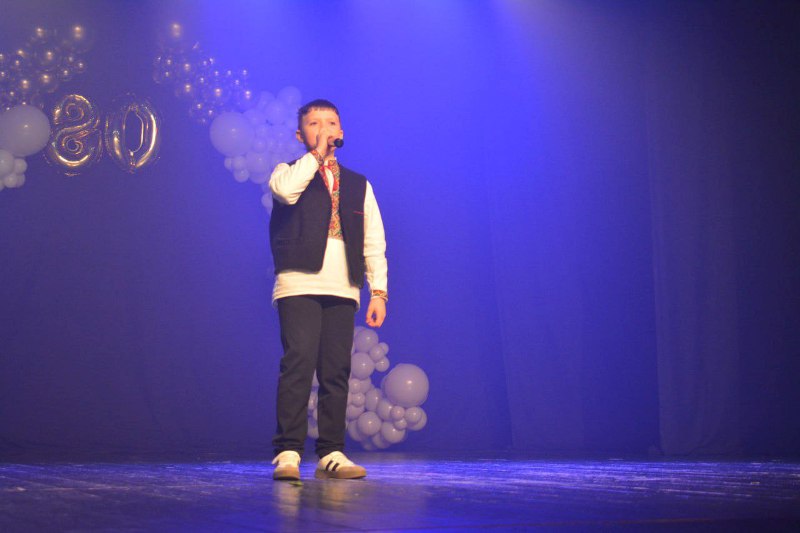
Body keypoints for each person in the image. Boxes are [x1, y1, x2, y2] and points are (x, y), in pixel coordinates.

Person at [268, 99, 388, 481]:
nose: (323, 128)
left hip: (343, 285)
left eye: (331, 122)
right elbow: (286, 193)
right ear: (299, 135)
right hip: (298, 282)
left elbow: (373, 240)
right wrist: (316, 156)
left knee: (336, 370)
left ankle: (331, 451)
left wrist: (379, 292)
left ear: (342, 132)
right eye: (314, 123)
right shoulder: (287, 172)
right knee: (299, 363)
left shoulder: (359, 184)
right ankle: (288, 451)